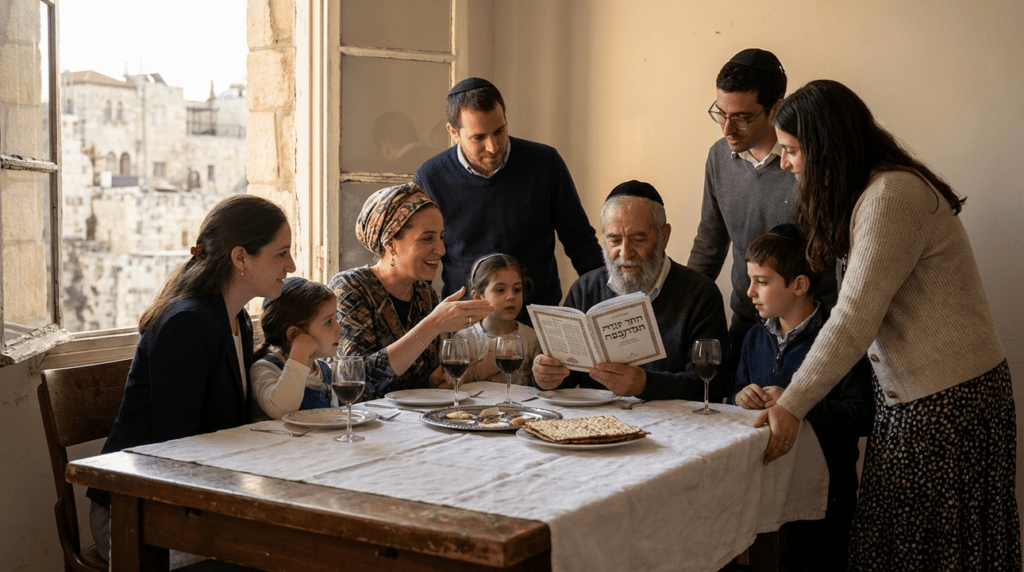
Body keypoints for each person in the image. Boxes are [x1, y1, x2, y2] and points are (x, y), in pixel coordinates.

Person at [759, 79, 1020, 571]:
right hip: (917, 397)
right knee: (899, 543)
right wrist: (794, 394)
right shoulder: (872, 193)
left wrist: (793, 402)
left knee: (936, 550)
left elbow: (853, 318)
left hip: (950, 401)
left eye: (792, 150)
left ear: (826, 148)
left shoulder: (891, 195)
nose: (784, 162)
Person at [87, 194, 296, 568]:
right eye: (281, 253)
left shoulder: (239, 320)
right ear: (240, 258)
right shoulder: (187, 323)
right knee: (274, 555)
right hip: (137, 513)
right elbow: (176, 449)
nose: (291, 265)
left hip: (192, 496)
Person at [732, 225, 873, 571]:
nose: (749, 291)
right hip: (765, 492)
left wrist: (796, 403)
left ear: (799, 285)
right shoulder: (753, 338)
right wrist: (741, 397)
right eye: (750, 280)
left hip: (827, 500)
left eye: (762, 281)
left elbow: (861, 416)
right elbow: (735, 394)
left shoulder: (839, 341)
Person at [687, 48, 838, 371]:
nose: (727, 129)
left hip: (810, 330)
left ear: (776, 109)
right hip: (746, 322)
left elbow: (834, 255)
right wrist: (679, 309)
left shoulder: (805, 163)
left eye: (741, 117)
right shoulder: (718, 158)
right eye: (720, 113)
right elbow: (709, 245)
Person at [414, 77, 603, 316]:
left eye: (499, 131)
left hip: (539, 319)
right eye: (478, 137)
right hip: (465, 324)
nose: (493, 147)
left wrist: (608, 304)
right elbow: (421, 261)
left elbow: (580, 243)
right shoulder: (431, 177)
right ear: (453, 132)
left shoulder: (544, 164)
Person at [533, 180, 730, 401]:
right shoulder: (585, 289)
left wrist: (645, 384)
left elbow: (712, 386)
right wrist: (546, 376)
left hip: (672, 427)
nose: (625, 252)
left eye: (637, 239)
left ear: (664, 235)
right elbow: (567, 376)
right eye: (614, 240)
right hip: (597, 423)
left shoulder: (700, 295)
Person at [329, 183, 495, 401]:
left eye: (441, 237)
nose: (441, 249)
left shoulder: (425, 295)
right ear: (390, 244)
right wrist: (433, 324)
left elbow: (416, 380)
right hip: (361, 427)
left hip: (410, 424)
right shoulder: (350, 287)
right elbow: (355, 378)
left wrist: (434, 380)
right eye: (427, 238)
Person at [249, 277, 341, 420]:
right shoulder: (265, 369)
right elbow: (281, 411)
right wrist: (300, 353)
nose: (339, 328)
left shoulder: (325, 371)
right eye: (328, 322)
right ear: (294, 334)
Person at [453, 253, 542, 386]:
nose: (511, 296)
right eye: (500, 290)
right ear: (478, 297)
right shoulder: (464, 339)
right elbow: (450, 385)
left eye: (517, 289)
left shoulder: (531, 339)